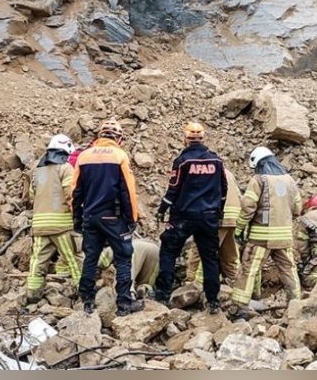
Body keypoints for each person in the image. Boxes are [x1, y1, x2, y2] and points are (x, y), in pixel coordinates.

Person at [71, 120, 144, 316]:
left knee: (90, 258)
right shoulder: (120, 155)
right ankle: (124, 305)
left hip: (91, 216)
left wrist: (77, 218)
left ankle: (86, 298)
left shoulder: (84, 156)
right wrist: (131, 219)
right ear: (118, 138)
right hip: (113, 217)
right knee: (123, 259)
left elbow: (75, 191)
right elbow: (128, 191)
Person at [154, 122, 226, 314]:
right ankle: (213, 301)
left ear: (185, 139)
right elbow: (223, 190)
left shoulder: (182, 162)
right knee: (209, 258)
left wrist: (162, 209)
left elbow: (173, 189)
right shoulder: (216, 161)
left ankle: (162, 294)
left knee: (168, 251)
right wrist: (219, 212)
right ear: (203, 139)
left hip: (183, 216)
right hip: (208, 217)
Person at [230, 146, 302, 320]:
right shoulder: (289, 180)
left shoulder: (259, 179)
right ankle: (296, 304)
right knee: (289, 269)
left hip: (261, 237)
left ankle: (240, 306)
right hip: (284, 237)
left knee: (249, 269)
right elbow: (298, 208)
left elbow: (248, 206)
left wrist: (239, 229)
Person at [26, 134, 82, 303]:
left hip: (40, 225)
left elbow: (31, 197)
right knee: (73, 259)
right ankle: (84, 292)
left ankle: (32, 295)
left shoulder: (37, 171)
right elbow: (71, 195)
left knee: (37, 261)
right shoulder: (65, 168)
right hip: (61, 225)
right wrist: (78, 217)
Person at [186, 167, 242, 285]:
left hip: (216, 216)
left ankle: (193, 283)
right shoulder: (228, 172)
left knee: (201, 249)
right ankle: (234, 280)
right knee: (230, 252)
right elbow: (238, 195)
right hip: (234, 216)